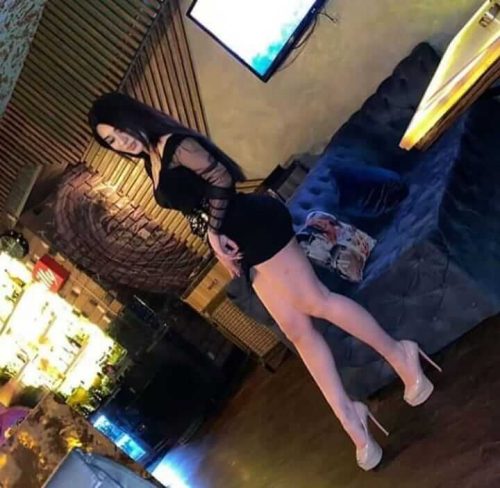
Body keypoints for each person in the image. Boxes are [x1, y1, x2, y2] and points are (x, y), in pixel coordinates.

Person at [88, 93, 441, 471]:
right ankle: (349, 417)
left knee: (318, 301)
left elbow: (221, 177)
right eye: (110, 141)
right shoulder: (151, 161)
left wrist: (215, 234)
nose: (120, 142)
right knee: (299, 334)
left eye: (119, 131)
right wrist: (219, 245)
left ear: (131, 117)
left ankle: (401, 354)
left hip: (257, 226)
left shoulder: (175, 144)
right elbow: (198, 208)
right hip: (241, 245)